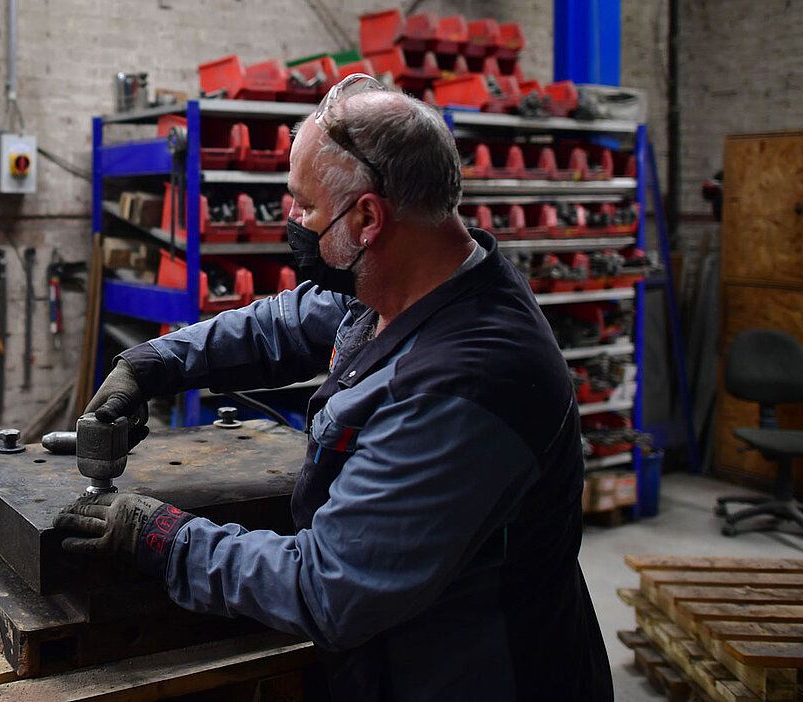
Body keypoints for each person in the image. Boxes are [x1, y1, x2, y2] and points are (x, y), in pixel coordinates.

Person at [54, 74, 612, 701]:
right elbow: (283, 323)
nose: (291, 220)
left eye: (304, 206)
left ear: (369, 216)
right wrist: (153, 362)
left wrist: (162, 538)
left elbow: (330, 588)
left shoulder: (466, 383)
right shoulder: (405, 284)